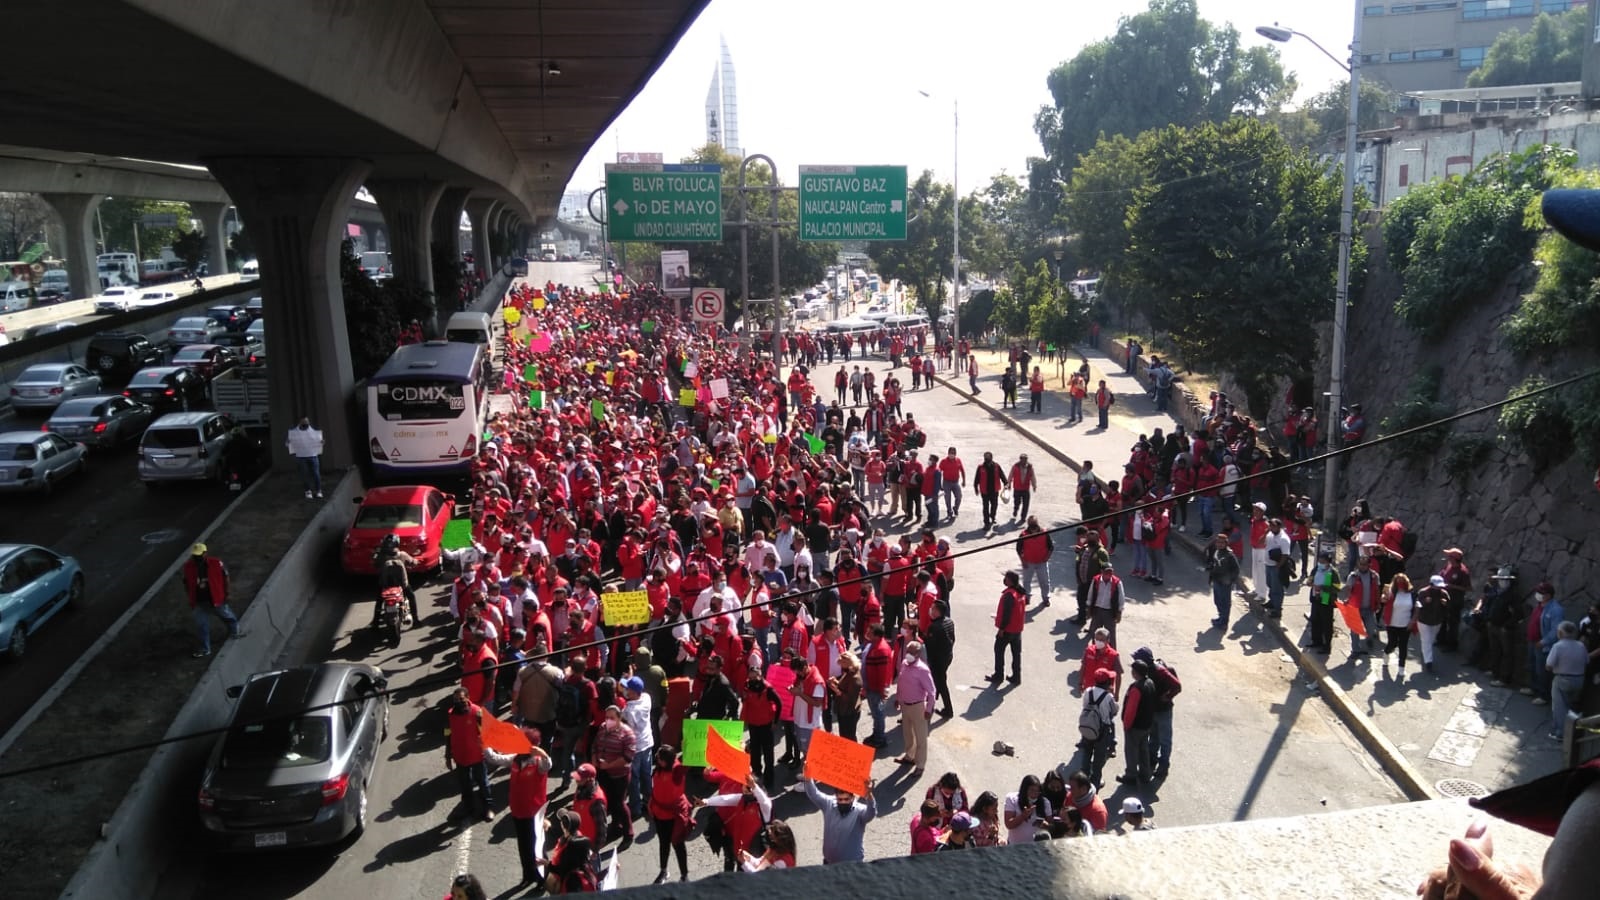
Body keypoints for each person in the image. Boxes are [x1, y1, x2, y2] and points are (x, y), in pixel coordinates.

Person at [508, 732, 553, 886]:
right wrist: (486, 748)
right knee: (523, 846)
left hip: (534, 813)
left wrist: (543, 753)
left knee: (537, 847)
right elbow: (497, 759)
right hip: (518, 811)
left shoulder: (539, 762)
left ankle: (543, 878)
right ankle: (528, 876)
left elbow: (548, 765)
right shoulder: (515, 759)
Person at [443, 686, 493, 822]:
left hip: (477, 755)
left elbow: (486, 732)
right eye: (456, 700)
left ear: (468, 698)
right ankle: (468, 807)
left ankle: (488, 807)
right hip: (460, 756)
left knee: (483, 782)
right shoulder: (450, 715)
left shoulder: (477, 712)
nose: (459, 702)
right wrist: (448, 755)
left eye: (461, 699)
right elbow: (448, 733)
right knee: (465, 785)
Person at [184, 543, 243, 658]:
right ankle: (205, 649)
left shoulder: (216, 563)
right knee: (201, 625)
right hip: (199, 602)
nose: (196, 558)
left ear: (205, 553)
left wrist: (227, 593)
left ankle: (235, 631)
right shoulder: (188, 567)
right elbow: (187, 583)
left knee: (227, 616)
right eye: (195, 555)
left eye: (199, 555)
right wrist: (190, 597)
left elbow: (225, 577)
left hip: (216, 598)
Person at [802, 777, 878, 864]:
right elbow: (813, 794)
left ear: (852, 798)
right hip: (829, 862)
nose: (843, 802)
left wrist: (869, 796)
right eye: (840, 799)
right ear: (835, 797)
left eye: (846, 799)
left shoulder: (860, 811)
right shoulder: (828, 803)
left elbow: (871, 813)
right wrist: (808, 778)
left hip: (852, 865)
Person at [648, 745, 693, 883]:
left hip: (673, 815)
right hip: (658, 813)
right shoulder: (659, 769)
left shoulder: (677, 770)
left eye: (660, 758)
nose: (657, 759)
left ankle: (684, 875)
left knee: (678, 845)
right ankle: (663, 871)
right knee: (664, 843)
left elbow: (689, 758)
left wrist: (690, 743)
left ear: (667, 760)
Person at [895, 640, 936, 777]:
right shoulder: (904, 664)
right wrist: (897, 699)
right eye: (908, 651)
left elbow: (931, 692)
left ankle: (920, 765)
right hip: (905, 705)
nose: (909, 655)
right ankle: (909, 756)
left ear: (918, 654)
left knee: (921, 738)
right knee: (907, 734)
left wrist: (929, 709)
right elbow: (900, 683)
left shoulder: (922, 670)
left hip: (918, 706)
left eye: (912, 652)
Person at [1118, 659, 1157, 787]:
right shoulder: (1150, 683)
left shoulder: (1136, 688)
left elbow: (1131, 709)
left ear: (1135, 672)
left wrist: (1126, 725)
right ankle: (1146, 774)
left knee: (1131, 751)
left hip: (1135, 727)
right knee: (1143, 749)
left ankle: (1131, 775)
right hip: (1146, 725)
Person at [540, 808, 597, 895]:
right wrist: (549, 827)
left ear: (563, 826)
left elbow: (562, 869)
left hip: (561, 880)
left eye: (562, 823)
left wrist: (546, 863)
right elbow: (559, 834)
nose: (560, 824)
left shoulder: (570, 847)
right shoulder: (576, 836)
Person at [1547, 621, 1587, 741]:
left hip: (1562, 679)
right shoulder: (1581, 645)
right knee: (1573, 706)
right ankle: (1574, 732)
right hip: (1579, 679)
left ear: (1560, 632)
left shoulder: (1558, 646)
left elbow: (1549, 665)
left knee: (1560, 707)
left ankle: (1561, 734)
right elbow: (1587, 660)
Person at [987, 571, 1027, 686]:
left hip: (1008, 630)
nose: (1004, 580)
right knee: (1016, 654)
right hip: (1017, 629)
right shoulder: (1021, 592)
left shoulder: (1010, 595)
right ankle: (1016, 676)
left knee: (999, 651)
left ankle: (998, 676)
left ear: (1010, 580)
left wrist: (1001, 629)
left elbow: (1007, 614)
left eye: (1006, 578)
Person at [1079, 671, 1118, 787]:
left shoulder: (1088, 691)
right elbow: (1114, 711)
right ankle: (1095, 781)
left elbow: (1085, 705)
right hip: (1102, 730)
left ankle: (1084, 778)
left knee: (1087, 752)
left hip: (1088, 726)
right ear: (1106, 682)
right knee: (1099, 757)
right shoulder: (1108, 697)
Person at [373, 533, 421, 627]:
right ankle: (415, 620)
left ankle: (375, 623)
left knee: (379, 601)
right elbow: (413, 562)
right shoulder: (402, 555)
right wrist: (416, 561)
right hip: (402, 584)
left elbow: (375, 565)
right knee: (411, 596)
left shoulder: (381, 556)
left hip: (385, 585)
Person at [1381, 573, 1418, 681]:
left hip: (1405, 625)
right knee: (1392, 643)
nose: (1400, 583)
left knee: (1403, 646)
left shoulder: (1412, 594)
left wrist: (1413, 621)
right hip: (1392, 624)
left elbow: (1416, 607)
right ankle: (1386, 653)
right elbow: (1383, 599)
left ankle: (1401, 668)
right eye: (1398, 581)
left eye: (1403, 581)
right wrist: (1384, 598)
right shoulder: (1391, 592)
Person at [923, 600, 956, 717]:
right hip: (947, 656)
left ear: (937, 611)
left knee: (941, 683)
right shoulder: (949, 622)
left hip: (939, 660)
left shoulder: (934, 627)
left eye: (932, 609)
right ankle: (932, 703)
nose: (930, 610)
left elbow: (930, 646)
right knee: (940, 680)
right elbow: (953, 639)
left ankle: (948, 710)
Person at [1306, 551, 1342, 654]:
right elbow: (1311, 577)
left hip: (1326, 599)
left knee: (1326, 624)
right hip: (1315, 597)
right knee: (1315, 620)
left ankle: (1326, 646)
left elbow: (1337, 587)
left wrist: (1323, 587)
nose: (1320, 563)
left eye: (1323, 561)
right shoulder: (1316, 568)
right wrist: (1310, 582)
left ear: (1328, 562)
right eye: (1319, 561)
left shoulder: (1332, 572)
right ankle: (1316, 641)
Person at [1003, 774, 1052, 844]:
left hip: (1037, 847)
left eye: (1037, 791)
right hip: (1014, 846)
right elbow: (1009, 824)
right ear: (1024, 790)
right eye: (1032, 790)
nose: (1035, 794)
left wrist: (1046, 825)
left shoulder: (1045, 803)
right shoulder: (1012, 799)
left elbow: (1051, 824)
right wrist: (1023, 816)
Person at [284, 416, 325, 499]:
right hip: (301, 456)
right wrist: (287, 442)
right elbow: (287, 444)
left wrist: (322, 442)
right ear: (300, 422)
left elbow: (319, 441)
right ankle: (308, 491)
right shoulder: (294, 432)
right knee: (304, 474)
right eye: (303, 422)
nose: (305, 424)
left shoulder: (313, 431)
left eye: (307, 422)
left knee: (316, 474)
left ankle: (318, 490)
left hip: (313, 455)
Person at [1016, 516, 1054, 607]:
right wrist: (1023, 561)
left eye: (1034, 525)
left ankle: (1046, 598)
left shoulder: (1045, 533)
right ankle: (1027, 598)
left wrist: (1047, 558)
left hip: (1042, 562)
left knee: (1045, 581)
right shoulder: (1023, 534)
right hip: (1028, 562)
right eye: (1031, 525)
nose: (1033, 528)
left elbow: (1051, 547)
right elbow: (1018, 549)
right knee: (1026, 582)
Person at [973, 451, 1007, 530]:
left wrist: (1006, 483)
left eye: (988, 457)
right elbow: (977, 478)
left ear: (991, 458)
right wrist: (975, 487)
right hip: (985, 491)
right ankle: (986, 523)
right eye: (986, 458)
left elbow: (1002, 475)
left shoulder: (996, 466)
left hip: (994, 490)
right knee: (985, 507)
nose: (987, 459)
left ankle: (992, 516)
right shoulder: (980, 467)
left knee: (994, 505)